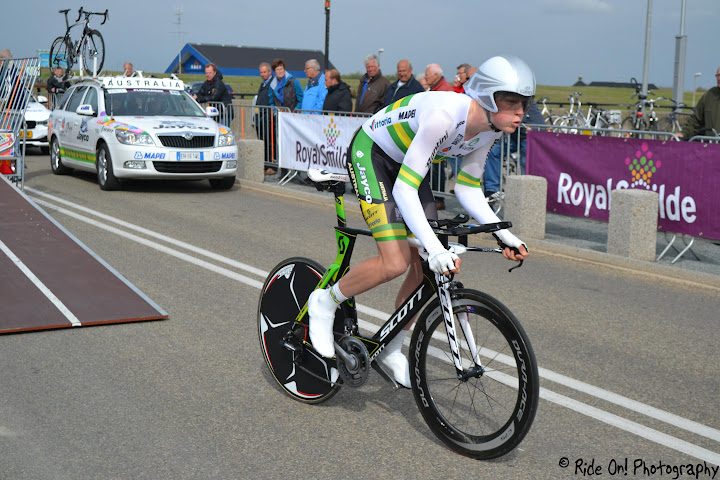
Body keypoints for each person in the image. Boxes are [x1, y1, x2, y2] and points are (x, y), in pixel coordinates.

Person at [308, 55, 533, 388]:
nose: (520, 112)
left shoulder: (490, 130)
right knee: (395, 262)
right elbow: (404, 190)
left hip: (408, 163)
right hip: (372, 153)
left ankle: (391, 347)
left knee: (426, 267)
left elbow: (468, 189)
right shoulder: (444, 117)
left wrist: (504, 235)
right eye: (512, 103)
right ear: (488, 98)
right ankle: (325, 302)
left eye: (524, 104)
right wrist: (434, 247)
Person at [483, 99, 547, 199]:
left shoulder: (522, 98)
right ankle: (492, 189)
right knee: (493, 150)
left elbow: (517, 116)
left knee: (526, 163)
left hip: (532, 134)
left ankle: (528, 195)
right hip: (516, 135)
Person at [424, 64, 454, 209]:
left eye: (427, 74)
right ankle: (432, 196)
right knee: (431, 168)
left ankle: (439, 198)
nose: (425, 77)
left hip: (441, 136)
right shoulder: (434, 89)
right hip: (433, 134)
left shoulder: (445, 90)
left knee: (437, 168)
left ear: (436, 75)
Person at [680, 65, 720, 139]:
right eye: (718, 75)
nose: (719, 78)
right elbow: (696, 119)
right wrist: (683, 133)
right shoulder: (710, 95)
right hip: (711, 144)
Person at [255, 62, 276, 175]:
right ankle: (265, 164)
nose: (262, 74)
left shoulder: (273, 83)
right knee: (262, 141)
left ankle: (272, 166)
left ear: (269, 72)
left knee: (270, 141)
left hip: (268, 116)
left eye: (264, 72)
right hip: (260, 115)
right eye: (261, 72)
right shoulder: (263, 84)